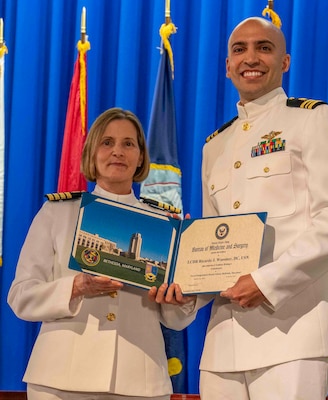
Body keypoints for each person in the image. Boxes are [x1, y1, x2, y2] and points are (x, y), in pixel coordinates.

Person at [198, 16, 328, 400]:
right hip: (224, 337)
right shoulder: (214, 146)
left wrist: (266, 282)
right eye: (239, 50)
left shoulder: (316, 119)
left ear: (284, 61)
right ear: (227, 66)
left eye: (264, 48)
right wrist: (187, 289)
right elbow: (211, 239)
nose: (250, 58)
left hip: (296, 328)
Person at [7, 107, 196, 400]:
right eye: (107, 142)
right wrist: (75, 287)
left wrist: (181, 297)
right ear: (92, 152)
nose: (117, 152)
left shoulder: (165, 225)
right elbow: (20, 295)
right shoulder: (58, 212)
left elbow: (175, 319)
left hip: (139, 380)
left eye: (128, 144)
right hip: (60, 379)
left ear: (141, 157)